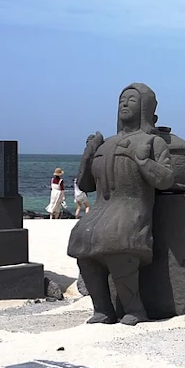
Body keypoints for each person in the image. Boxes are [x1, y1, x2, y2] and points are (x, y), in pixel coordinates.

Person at [67, 83, 174, 326]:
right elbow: (86, 185)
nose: (124, 104)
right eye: (121, 100)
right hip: (101, 212)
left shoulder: (151, 142)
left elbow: (166, 179)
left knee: (118, 244)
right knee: (80, 242)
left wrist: (143, 162)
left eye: (132, 100)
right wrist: (88, 155)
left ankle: (135, 310)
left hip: (131, 211)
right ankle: (102, 310)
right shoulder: (105, 144)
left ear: (145, 108)